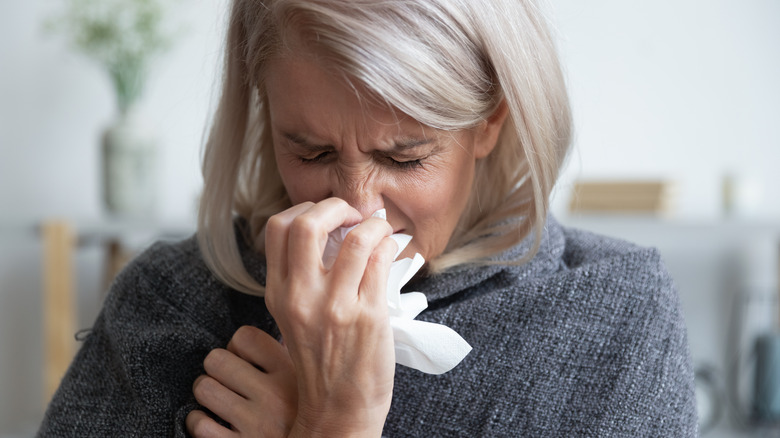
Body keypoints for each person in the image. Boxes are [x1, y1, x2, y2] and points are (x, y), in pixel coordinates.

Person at [38, 0, 698, 436]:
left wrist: (335, 420)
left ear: (490, 120)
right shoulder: (173, 301)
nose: (357, 209)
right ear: (267, 115)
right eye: (312, 150)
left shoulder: (616, 311)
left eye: (404, 157)